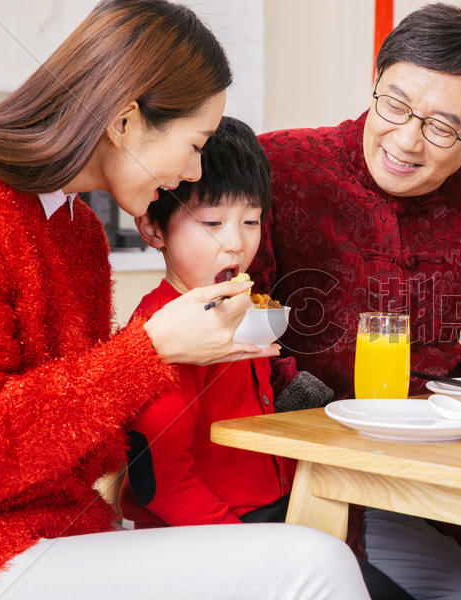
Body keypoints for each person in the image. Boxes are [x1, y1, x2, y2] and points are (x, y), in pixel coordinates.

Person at [0, 2, 368, 599]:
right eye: (195, 143)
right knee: (318, 564)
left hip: (59, 530)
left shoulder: (76, 227)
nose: (193, 171)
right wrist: (150, 352)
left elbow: (79, 432)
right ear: (125, 122)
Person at [252, 4, 461, 600]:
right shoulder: (280, 167)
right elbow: (240, 330)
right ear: (375, 81)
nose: (406, 140)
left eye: (441, 127)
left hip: (452, 474)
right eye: (395, 104)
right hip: (328, 477)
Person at [120, 116, 409, 600]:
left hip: (270, 517)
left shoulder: (246, 311)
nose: (236, 241)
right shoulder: (156, 332)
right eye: (211, 222)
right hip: (198, 537)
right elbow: (159, 485)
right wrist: (251, 550)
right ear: (153, 227)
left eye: (250, 220)